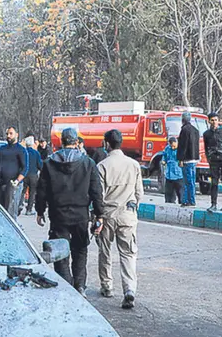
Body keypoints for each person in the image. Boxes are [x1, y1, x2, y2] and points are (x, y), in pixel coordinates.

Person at [35, 128, 105, 295]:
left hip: (58, 215)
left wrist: (40, 211)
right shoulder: (88, 163)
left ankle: (66, 286)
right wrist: (99, 214)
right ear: (77, 142)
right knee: (80, 250)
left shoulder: (49, 163)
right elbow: (96, 191)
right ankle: (80, 285)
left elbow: (42, 191)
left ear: (62, 142)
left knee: (60, 252)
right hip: (80, 215)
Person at [96, 130, 144, 309]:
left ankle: (107, 286)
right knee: (128, 253)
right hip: (127, 215)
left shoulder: (102, 166)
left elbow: (98, 195)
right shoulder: (133, 165)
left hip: (108, 214)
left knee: (105, 251)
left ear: (107, 144)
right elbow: (139, 193)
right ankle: (129, 289)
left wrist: (97, 217)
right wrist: (133, 208)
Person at [0, 126, 28, 217]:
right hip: (2, 182)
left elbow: (25, 168)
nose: (8, 136)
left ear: (16, 135)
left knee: (10, 211)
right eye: (7, 134)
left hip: (14, 185)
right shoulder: (2, 149)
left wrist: (17, 181)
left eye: (11, 133)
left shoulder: (21, 150)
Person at [177, 111, 200, 206]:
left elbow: (183, 146)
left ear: (182, 120)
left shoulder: (184, 130)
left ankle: (187, 200)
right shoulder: (196, 130)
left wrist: (180, 159)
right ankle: (192, 199)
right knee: (192, 181)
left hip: (187, 159)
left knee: (187, 181)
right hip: (194, 159)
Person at [23, 136, 43, 215]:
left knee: (22, 191)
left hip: (23, 175)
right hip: (33, 176)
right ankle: (29, 209)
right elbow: (40, 165)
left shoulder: (23, 152)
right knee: (32, 192)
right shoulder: (36, 153)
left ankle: (19, 205)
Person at [163, 137, 184, 203]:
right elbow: (164, 156)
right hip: (169, 174)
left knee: (180, 192)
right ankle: (169, 202)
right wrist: (163, 161)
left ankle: (182, 202)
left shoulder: (181, 149)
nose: (172, 148)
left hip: (178, 174)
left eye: (174, 146)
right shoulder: (167, 148)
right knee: (168, 192)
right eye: (171, 146)